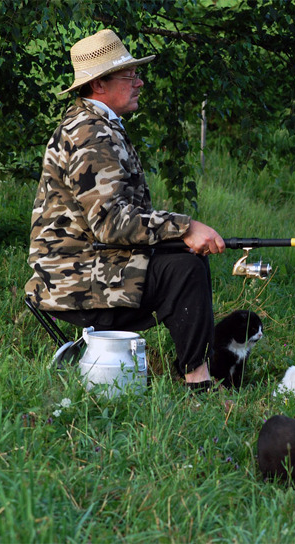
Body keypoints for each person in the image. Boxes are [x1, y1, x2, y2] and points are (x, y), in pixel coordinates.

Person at [25, 29, 225, 393]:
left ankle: (199, 371)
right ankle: (199, 385)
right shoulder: (91, 133)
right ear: (99, 84)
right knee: (184, 270)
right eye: (129, 76)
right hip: (73, 279)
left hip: (90, 264)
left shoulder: (96, 124)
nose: (140, 82)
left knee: (182, 257)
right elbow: (111, 223)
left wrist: (180, 236)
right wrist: (185, 227)